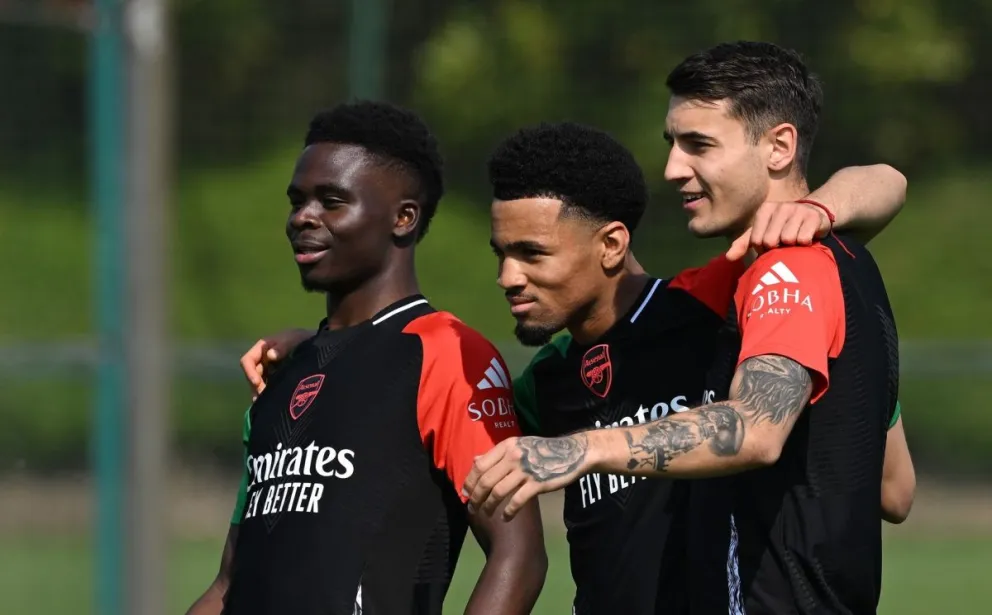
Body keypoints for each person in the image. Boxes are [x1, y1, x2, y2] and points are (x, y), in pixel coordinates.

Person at [242, 124, 909, 615]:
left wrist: (816, 210)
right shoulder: (546, 382)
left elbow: (885, 183)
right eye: (502, 253)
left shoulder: (710, 304)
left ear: (611, 244)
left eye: (533, 253)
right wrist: (330, 348)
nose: (508, 277)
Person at [463, 41, 911, 615]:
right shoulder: (820, 266)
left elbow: (755, 429)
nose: (673, 169)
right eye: (672, 144)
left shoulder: (769, 276)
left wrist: (580, 450)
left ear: (779, 146)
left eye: (699, 144)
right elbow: (895, 487)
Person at [185, 101, 547, 615]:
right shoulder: (280, 374)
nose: (303, 217)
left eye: (332, 201)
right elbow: (228, 582)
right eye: (297, 201)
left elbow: (519, 555)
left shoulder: (445, 353)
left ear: (403, 218)